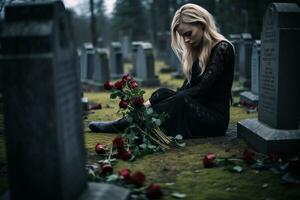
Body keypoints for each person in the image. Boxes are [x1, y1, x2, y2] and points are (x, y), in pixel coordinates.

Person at [89, 3, 235, 138]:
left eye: (188, 33)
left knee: (179, 99)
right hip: (195, 109)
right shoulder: (199, 51)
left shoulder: (222, 48)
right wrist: (157, 99)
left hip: (213, 119)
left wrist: (168, 101)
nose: (186, 40)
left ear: (202, 23)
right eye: (183, 36)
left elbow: (201, 89)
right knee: (163, 92)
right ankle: (133, 120)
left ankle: (123, 124)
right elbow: (187, 88)